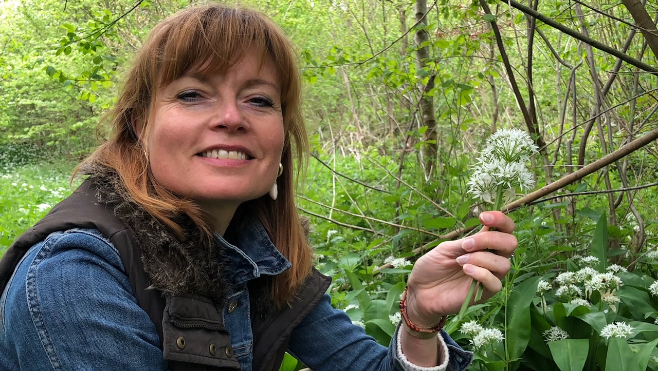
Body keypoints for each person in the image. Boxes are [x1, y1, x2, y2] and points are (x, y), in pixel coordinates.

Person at [0, 4, 517, 371]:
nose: (231, 118)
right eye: (193, 93)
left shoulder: (258, 259)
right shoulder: (75, 277)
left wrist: (420, 319)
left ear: (281, 140)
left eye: (260, 100)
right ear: (138, 125)